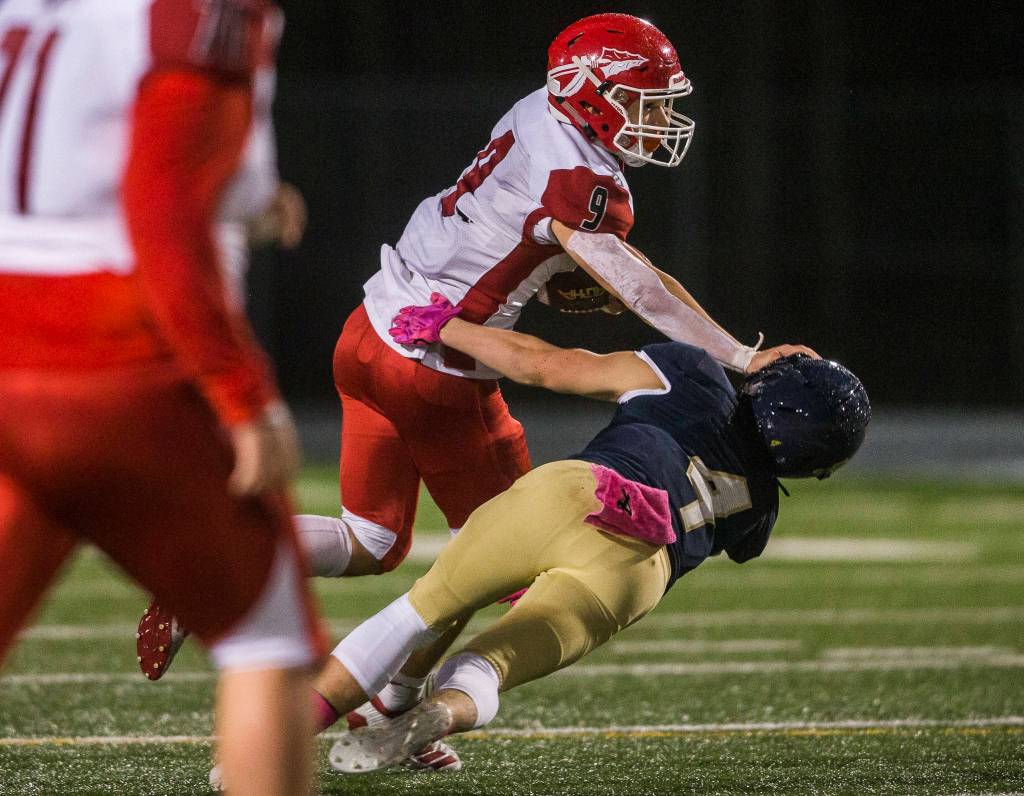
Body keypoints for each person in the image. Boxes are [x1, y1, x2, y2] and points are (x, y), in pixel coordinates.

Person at [141, 11, 816, 772]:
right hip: (437, 366)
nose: (658, 119)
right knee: (497, 566)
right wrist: (737, 355)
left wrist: (556, 272)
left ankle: (210, 561)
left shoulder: (542, 111)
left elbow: (539, 239)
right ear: (589, 91)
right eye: (644, 99)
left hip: (371, 327)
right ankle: (394, 713)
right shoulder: (584, 179)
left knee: (374, 543)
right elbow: (637, 286)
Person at [318, 296, 870, 773]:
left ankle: (270, 743)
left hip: (578, 496)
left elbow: (546, 366)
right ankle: (439, 715)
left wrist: (445, 327)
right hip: (636, 574)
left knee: (416, 614)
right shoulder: (759, 516)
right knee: (483, 669)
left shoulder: (694, 373)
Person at [0, 1, 324, 794]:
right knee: (270, 642)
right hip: (119, 357)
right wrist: (242, 396)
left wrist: (248, 197)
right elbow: (161, 214)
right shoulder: (192, 13)